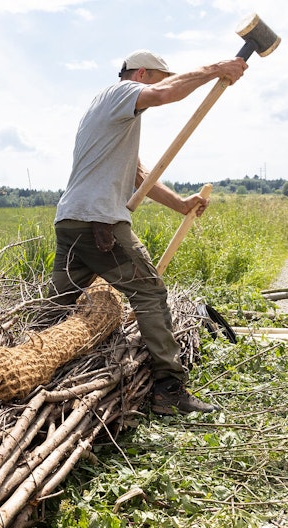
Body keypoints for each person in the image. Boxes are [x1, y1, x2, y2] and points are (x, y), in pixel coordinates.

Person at [50, 49, 247, 415]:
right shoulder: (120, 92)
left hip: (71, 220)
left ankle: (30, 368)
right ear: (141, 74)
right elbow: (165, 94)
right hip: (100, 222)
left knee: (55, 308)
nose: (164, 85)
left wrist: (180, 205)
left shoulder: (109, 115)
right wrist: (217, 69)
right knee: (151, 293)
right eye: (160, 77)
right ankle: (169, 391)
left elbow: (141, 177)